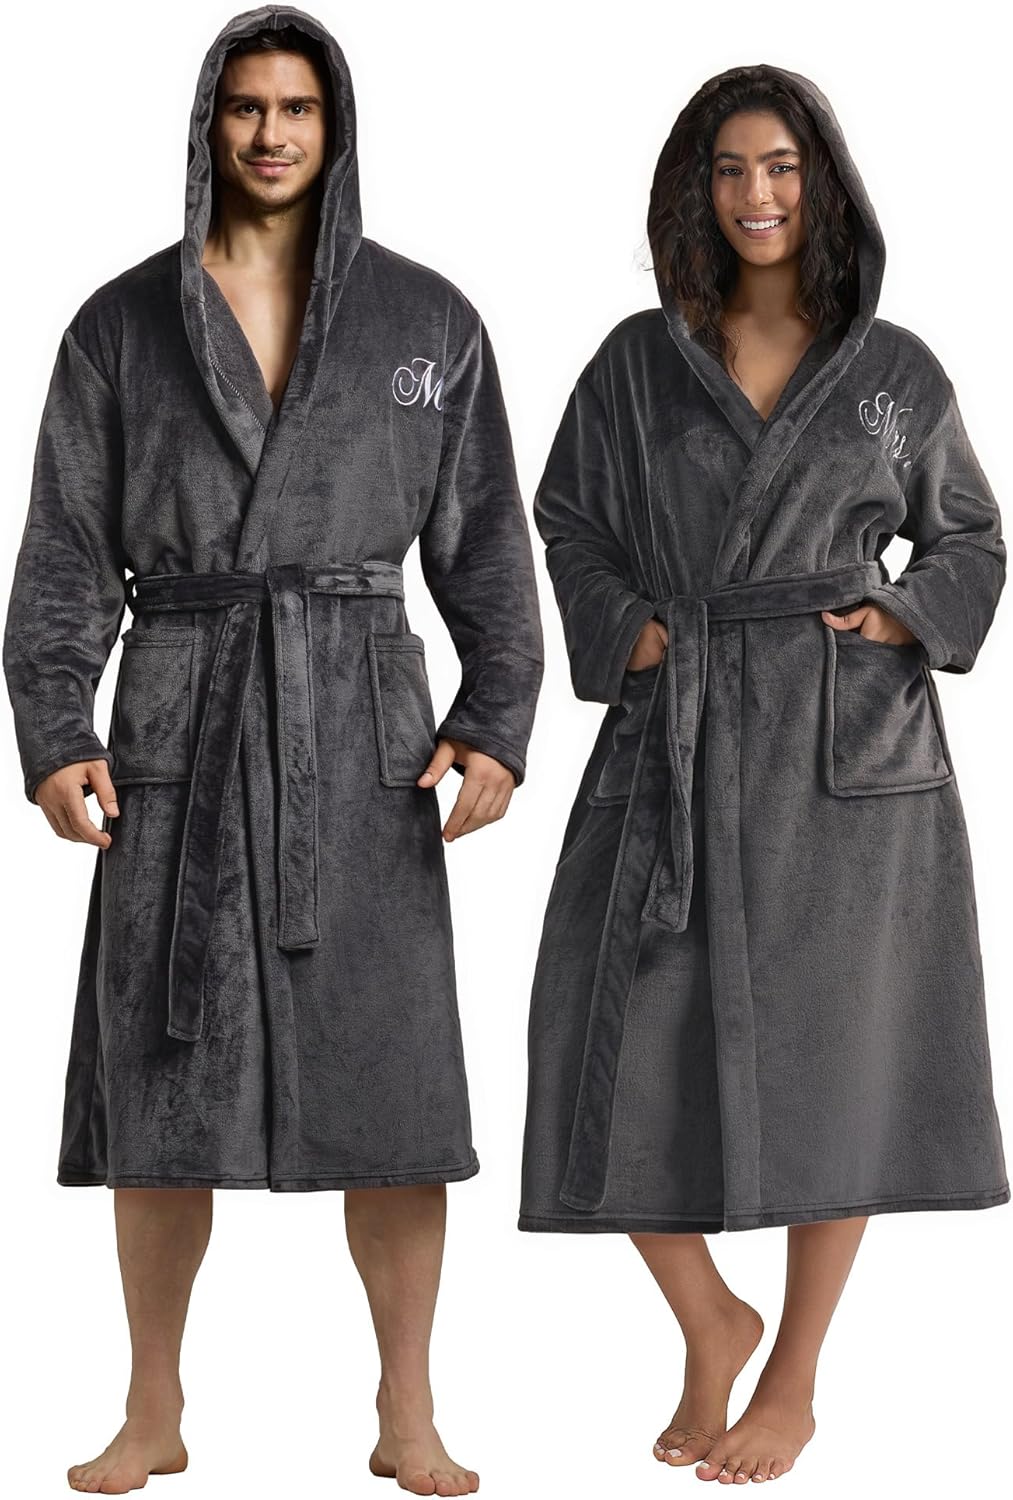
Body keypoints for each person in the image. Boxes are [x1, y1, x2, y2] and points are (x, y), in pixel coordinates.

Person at [3, 6, 542, 1495]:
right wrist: (56, 727)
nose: (271, 133)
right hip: (180, 717)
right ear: (209, 124)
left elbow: (486, 547)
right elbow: (63, 552)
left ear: (334, 127)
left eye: (298, 108)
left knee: (394, 1091)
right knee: (160, 1091)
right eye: (247, 106)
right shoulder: (122, 324)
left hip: (360, 729)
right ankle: (152, 1408)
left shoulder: (427, 323)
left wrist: (495, 716)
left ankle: (407, 1411)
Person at [518, 61, 1007, 1484]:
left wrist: (899, 617)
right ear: (697, 188)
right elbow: (567, 518)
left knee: (836, 1056)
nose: (757, 195)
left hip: (843, 752)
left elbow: (969, 537)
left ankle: (792, 1376)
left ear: (823, 185)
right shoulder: (637, 362)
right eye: (731, 169)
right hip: (672, 730)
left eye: (782, 167)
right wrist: (629, 626)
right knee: (597, 1038)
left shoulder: (892, 371)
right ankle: (712, 1320)